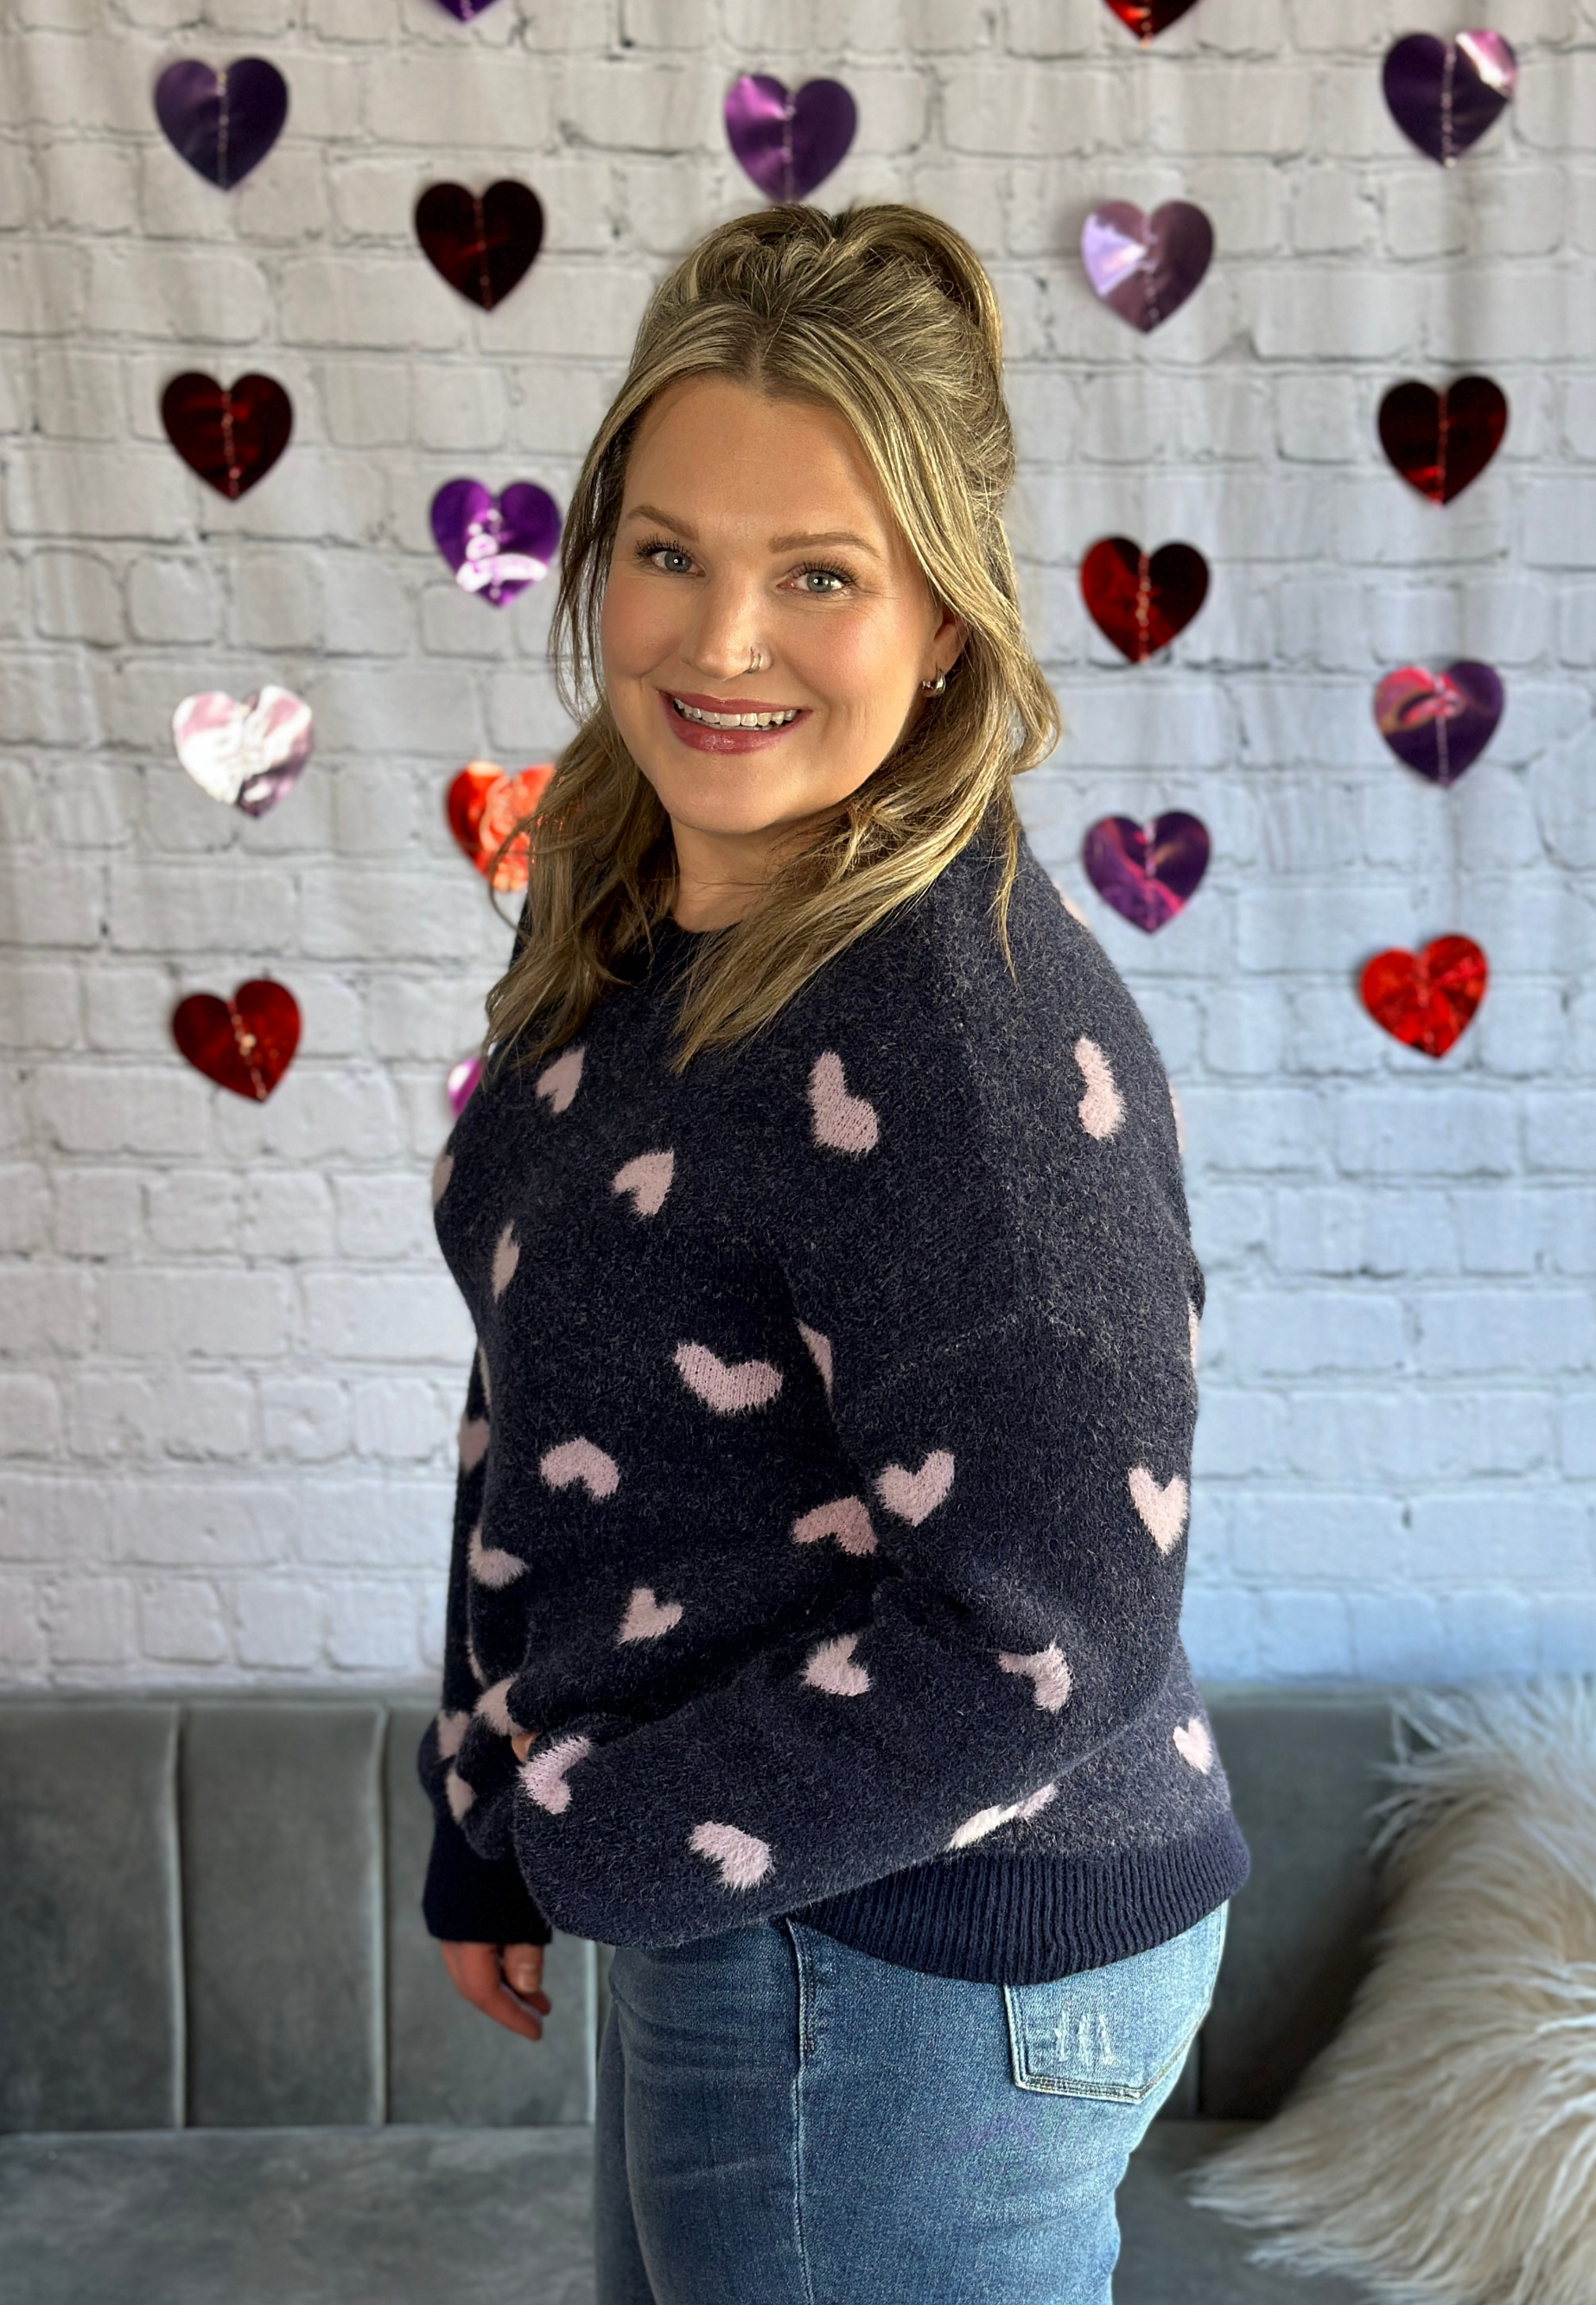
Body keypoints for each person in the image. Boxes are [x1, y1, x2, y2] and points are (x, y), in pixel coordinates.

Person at [419, 201, 1249, 2305]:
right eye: (668, 551)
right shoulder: (633, 919)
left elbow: (1048, 1629)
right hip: (743, 1883)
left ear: (944, 619)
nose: (721, 642)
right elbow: (543, 1397)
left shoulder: (951, 1035)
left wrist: (592, 1827)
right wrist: (487, 1797)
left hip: (918, 1961)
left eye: (818, 574)